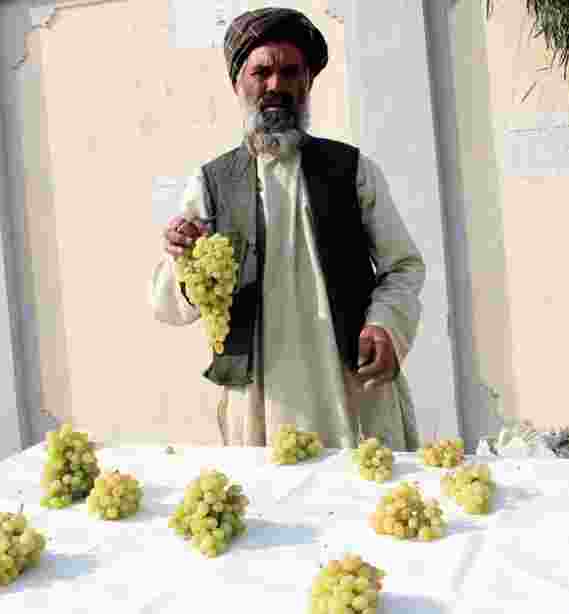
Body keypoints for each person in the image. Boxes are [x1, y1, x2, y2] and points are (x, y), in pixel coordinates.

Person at [149, 7, 425, 452]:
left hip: (350, 393)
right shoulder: (211, 183)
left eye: (291, 72)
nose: (276, 84)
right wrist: (184, 259)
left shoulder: (352, 170)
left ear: (308, 82)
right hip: (260, 406)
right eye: (261, 72)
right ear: (238, 84)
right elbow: (168, 305)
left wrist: (385, 326)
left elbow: (403, 267)